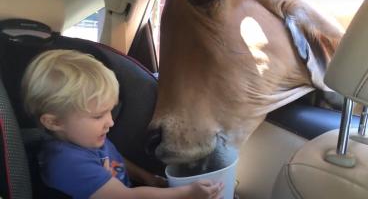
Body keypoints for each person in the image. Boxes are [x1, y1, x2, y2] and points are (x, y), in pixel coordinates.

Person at [21, 49, 224, 199]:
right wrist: (184, 194)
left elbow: (116, 158)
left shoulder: (86, 139)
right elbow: (126, 197)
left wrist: (149, 179)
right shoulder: (66, 163)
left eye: (110, 111)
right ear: (54, 122)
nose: (110, 122)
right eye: (98, 116)